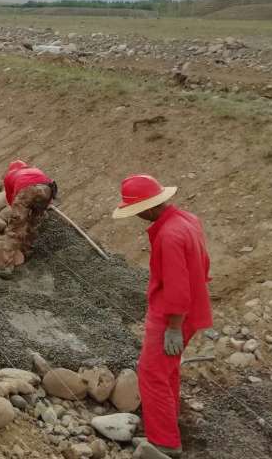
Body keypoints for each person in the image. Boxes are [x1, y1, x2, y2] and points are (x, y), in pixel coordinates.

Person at [112, 174, 212, 459]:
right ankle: (168, 422)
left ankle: (165, 442)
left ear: (151, 206)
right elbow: (203, 263)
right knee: (168, 369)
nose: (139, 216)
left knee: (152, 372)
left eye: (138, 211)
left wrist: (173, 327)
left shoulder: (169, 235)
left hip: (172, 313)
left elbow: (177, 288)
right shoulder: (188, 220)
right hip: (192, 306)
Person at [0, 160, 56, 277]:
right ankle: (25, 251)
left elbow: (11, 199)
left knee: (15, 230)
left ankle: (5, 266)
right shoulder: (35, 170)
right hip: (47, 191)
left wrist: (16, 217)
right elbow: (49, 189)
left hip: (27, 190)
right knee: (33, 223)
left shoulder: (10, 175)